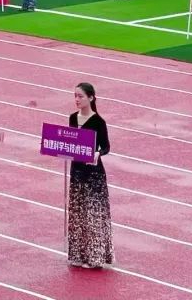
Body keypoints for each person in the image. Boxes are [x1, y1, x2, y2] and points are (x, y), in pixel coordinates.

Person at [67, 82, 114, 269]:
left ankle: (95, 257)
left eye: (80, 96)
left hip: (94, 174)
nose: (77, 99)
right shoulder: (72, 118)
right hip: (76, 171)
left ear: (91, 98)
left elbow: (107, 147)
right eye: (75, 96)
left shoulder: (98, 122)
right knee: (78, 213)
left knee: (93, 215)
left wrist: (98, 153)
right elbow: (70, 141)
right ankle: (78, 254)